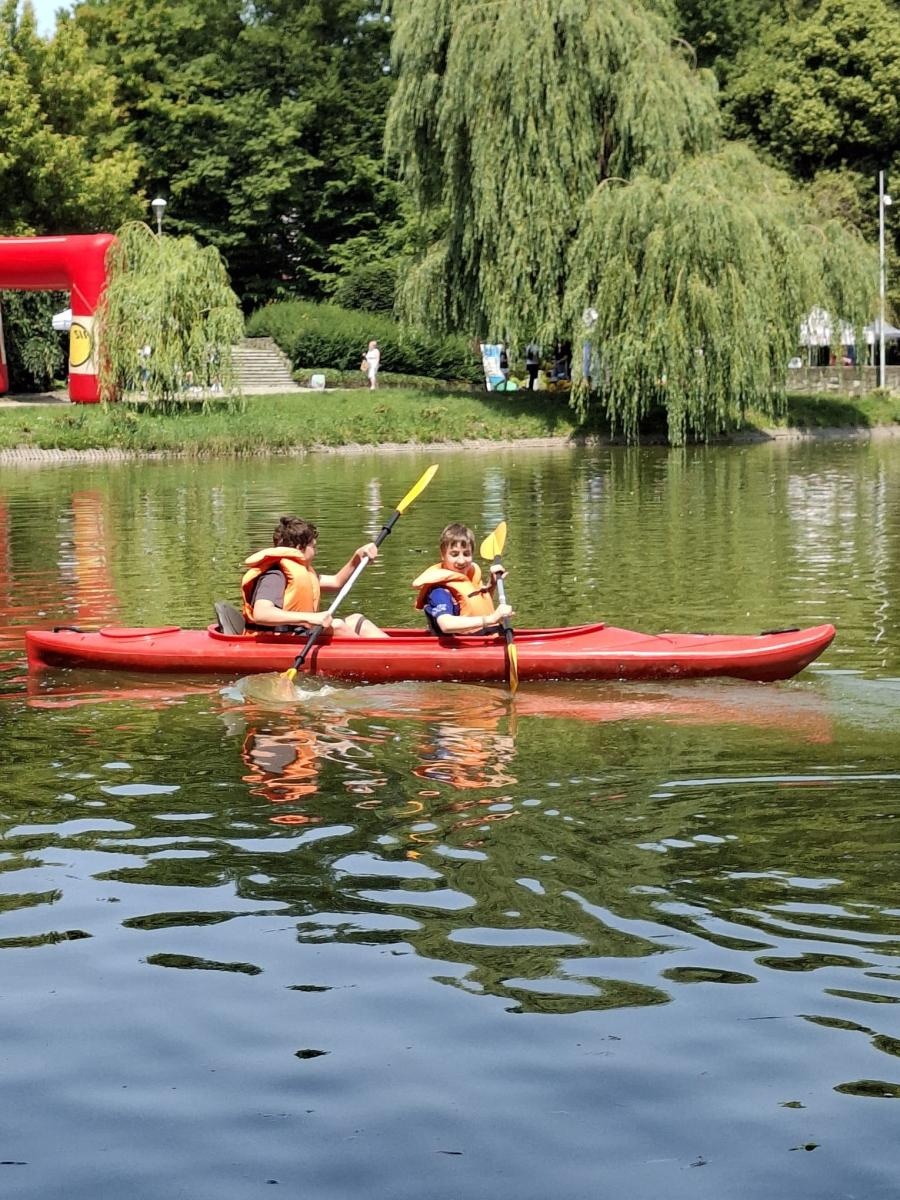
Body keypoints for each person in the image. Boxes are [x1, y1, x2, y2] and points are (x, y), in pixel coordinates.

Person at [241, 516, 388, 638]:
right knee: (337, 626)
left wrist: (357, 557)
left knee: (356, 619)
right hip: (278, 640)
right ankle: (383, 661)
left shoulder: (303, 572)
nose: (316, 552)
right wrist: (310, 617)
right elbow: (262, 614)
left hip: (297, 634)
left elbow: (337, 582)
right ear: (299, 548)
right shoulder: (275, 575)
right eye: (314, 547)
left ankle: (395, 652)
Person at [412, 522, 513, 635]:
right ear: (442, 555)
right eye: (454, 554)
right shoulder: (439, 592)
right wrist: (491, 619)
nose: (461, 561)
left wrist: (492, 584)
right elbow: (446, 624)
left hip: (485, 639)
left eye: (466, 554)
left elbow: (476, 606)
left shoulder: (470, 577)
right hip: (460, 648)